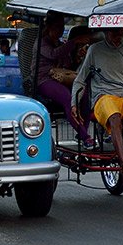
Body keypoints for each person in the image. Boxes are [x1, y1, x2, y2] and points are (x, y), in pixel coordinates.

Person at [73, 27, 123, 183]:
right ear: (105, 33)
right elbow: (80, 79)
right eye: (113, 32)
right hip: (103, 97)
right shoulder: (94, 49)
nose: (118, 35)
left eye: (120, 32)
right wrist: (74, 103)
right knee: (115, 115)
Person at [35, 12, 95, 149]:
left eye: (62, 27)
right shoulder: (41, 43)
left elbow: (68, 65)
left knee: (83, 93)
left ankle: (81, 132)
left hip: (61, 79)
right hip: (44, 80)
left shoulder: (61, 43)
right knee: (68, 98)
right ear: (49, 27)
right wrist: (73, 42)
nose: (60, 30)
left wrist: (77, 55)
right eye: (57, 27)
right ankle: (86, 137)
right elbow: (54, 54)